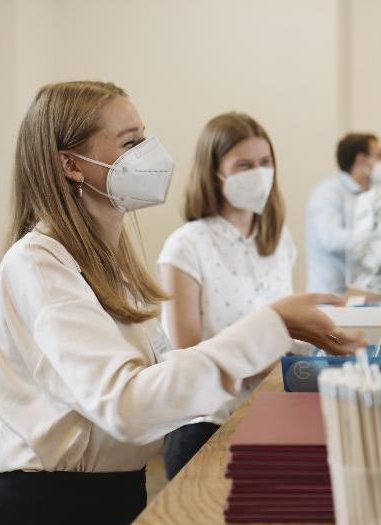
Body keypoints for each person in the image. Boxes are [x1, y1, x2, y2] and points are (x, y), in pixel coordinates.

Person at [0, 81, 364, 525]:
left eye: (144, 137)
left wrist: (286, 341)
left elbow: (162, 375)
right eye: (130, 142)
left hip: (117, 492)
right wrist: (269, 324)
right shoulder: (38, 265)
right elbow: (126, 405)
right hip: (49, 505)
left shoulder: (110, 264)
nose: (149, 153)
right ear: (71, 164)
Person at [156, 112, 297, 479]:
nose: (259, 172)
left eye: (265, 163)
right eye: (244, 165)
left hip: (270, 413)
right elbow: (185, 353)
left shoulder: (279, 240)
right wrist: (273, 361)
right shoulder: (186, 246)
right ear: (214, 173)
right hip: (206, 425)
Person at [305, 132, 381, 293]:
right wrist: (377, 236)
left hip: (361, 291)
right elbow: (330, 238)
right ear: (361, 159)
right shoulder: (329, 192)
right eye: (378, 156)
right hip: (330, 293)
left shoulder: (373, 192)